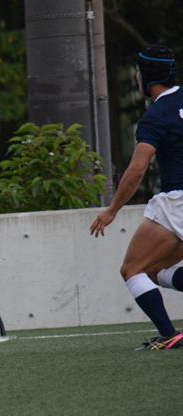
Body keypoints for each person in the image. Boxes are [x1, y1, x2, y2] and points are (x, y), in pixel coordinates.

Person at [90, 44, 183, 350]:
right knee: (158, 271)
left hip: (178, 203)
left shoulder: (155, 116)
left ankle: (169, 334)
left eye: (138, 72)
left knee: (132, 270)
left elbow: (137, 170)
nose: (136, 77)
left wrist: (112, 210)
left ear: (147, 76)